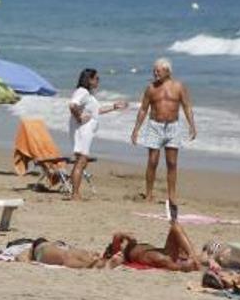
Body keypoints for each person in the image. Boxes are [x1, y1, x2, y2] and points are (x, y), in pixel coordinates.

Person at [130, 57, 196, 210]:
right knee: (152, 161)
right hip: (155, 126)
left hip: (173, 127)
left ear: (167, 71)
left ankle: (172, 195)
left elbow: (186, 106)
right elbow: (143, 109)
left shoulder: (178, 87)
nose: (155, 73)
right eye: (154, 71)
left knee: (172, 163)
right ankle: (149, 193)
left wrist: (192, 125)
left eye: (158, 71)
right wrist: (136, 129)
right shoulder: (151, 88)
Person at [68, 68, 127, 200]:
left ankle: (74, 191)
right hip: (82, 131)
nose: (98, 81)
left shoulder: (88, 95)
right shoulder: (82, 92)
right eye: (96, 79)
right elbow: (72, 105)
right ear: (89, 80)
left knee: (81, 162)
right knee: (81, 161)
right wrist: (79, 118)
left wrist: (113, 107)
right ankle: (75, 194)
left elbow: (96, 111)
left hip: (84, 131)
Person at [103, 222, 201, 272]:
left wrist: (129, 239)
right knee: (175, 227)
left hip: (161, 255)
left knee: (176, 229)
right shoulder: (119, 252)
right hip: (156, 256)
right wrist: (127, 236)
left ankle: (192, 260)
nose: (124, 242)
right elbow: (117, 235)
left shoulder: (131, 248)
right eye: (122, 242)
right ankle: (193, 258)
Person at [17, 238, 124, 269]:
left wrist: (30, 261)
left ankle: (94, 264)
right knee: (74, 254)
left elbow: (21, 258)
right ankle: (98, 262)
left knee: (66, 258)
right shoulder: (50, 244)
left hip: (43, 252)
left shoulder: (34, 247)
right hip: (63, 247)